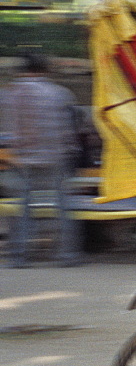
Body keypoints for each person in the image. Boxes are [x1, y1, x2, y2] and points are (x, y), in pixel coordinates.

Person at [0, 53, 82, 267]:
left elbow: (9, 128)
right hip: (56, 157)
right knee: (63, 207)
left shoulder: (9, 94)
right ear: (45, 70)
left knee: (23, 208)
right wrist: (72, 150)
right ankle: (67, 255)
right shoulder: (59, 93)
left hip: (23, 160)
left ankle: (18, 257)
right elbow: (68, 129)